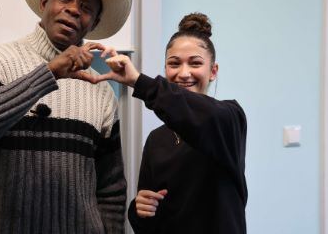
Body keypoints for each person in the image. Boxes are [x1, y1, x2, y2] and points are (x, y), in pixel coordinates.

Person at [0, 0, 132, 234]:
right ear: (44, 3)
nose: (73, 10)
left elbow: (111, 190)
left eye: (85, 7)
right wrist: (49, 73)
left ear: (93, 23)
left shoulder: (102, 91)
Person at [94, 13, 248, 233]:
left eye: (195, 63)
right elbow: (147, 220)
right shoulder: (157, 139)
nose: (184, 73)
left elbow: (200, 114)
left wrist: (139, 82)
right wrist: (139, 210)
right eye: (174, 64)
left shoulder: (229, 119)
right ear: (166, 71)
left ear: (213, 71)